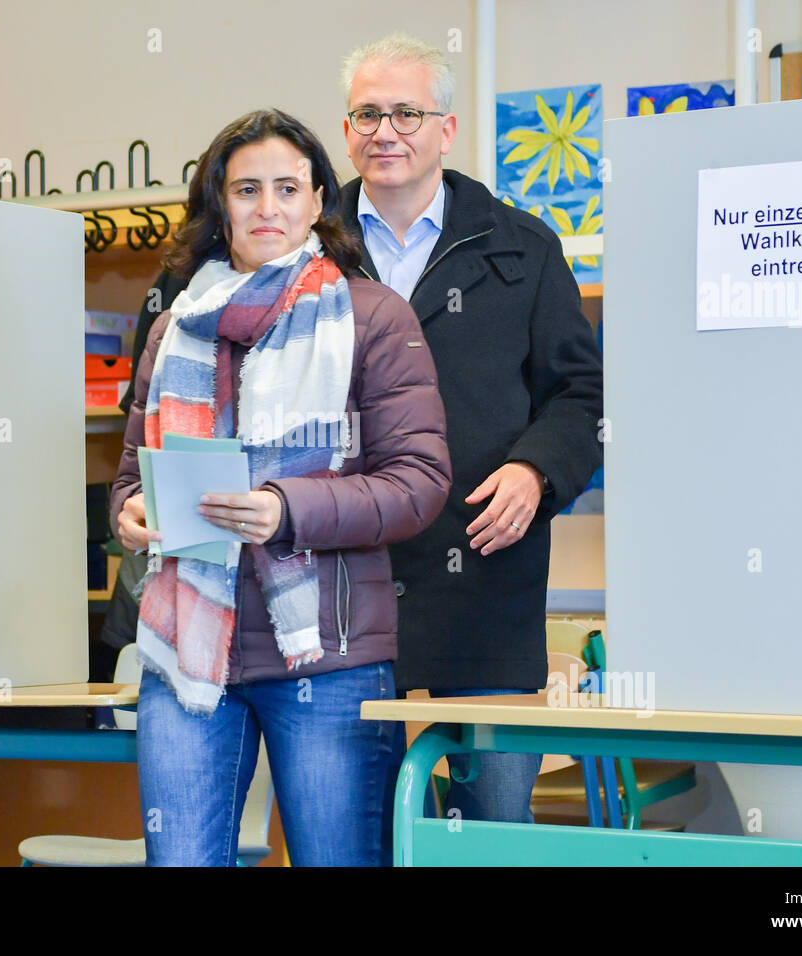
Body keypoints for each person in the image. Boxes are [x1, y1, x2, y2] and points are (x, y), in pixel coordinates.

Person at [110, 108, 451, 866]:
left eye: (288, 188)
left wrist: (285, 509)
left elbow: (419, 484)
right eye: (246, 190)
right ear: (217, 205)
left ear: (319, 202)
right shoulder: (178, 326)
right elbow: (134, 472)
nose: (267, 208)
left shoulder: (373, 318)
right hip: (187, 655)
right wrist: (132, 513)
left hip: (326, 661)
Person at [338, 34, 604, 823]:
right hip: (342, 579)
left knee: (489, 823)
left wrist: (535, 471)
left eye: (407, 112)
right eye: (367, 114)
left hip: (484, 574)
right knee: (352, 821)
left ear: (446, 130)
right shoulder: (308, 252)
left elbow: (580, 395)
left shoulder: (522, 246)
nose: (386, 131)